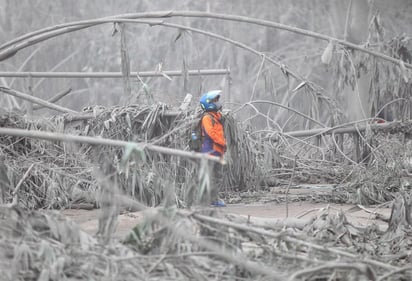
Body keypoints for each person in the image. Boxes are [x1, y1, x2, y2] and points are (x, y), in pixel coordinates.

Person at [199, 90, 227, 207]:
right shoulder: (206, 118)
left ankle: (214, 199)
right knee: (209, 177)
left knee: (218, 177)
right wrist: (223, 142)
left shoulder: (217, 116)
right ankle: (205, 200)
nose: (218, 102)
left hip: (218, 152)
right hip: (210, 152)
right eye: (215, 100)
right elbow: (211, 133)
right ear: (208, 103)